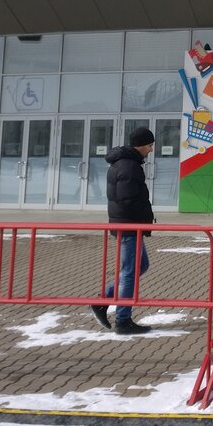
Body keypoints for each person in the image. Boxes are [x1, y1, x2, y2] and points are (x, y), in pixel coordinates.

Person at [89, 126, 156, 335]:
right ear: (142, 145)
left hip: (129, 224)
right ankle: (123, 320)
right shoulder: (129, 166)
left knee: (141, 266)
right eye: (150, 145)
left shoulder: (126, 162)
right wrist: (143, 217)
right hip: (129, 225)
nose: (151, 149)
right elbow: (127, 199)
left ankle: (103, 300)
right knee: (129, 271)